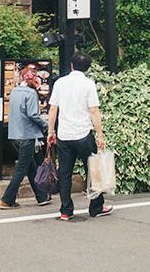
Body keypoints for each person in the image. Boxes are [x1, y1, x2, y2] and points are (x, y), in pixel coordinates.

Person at [47, 52, 113, 221]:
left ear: (71, 66)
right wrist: (100, 135)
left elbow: (53, 109)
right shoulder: (88, 84)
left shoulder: (60, 83)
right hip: (84, 134)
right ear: (87, 68)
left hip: (64, 135)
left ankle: (66, 210)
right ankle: (96, 207)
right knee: (93, 171)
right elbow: (94, 110)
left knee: (65, 173)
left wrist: (51, 132)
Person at [0, 68, 52, 209]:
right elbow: (33, 114)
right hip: (27, 135)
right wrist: (45, 125)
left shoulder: (14, 91)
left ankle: (41, 197)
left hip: (14, 135)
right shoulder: (31, 93)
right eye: (36, 78)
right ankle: (7, 199)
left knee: (30, 166)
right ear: (32, 79)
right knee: (22, 168)